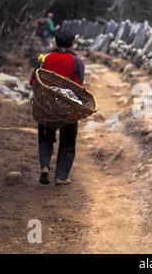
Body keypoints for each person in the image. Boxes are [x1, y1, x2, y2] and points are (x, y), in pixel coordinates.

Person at [30, 29, 85, 185]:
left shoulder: (45, 58)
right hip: (67, 108)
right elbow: (78, 86)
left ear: (55, 42)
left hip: (46, 107)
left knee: (45, 138)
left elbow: (33, 81)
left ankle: (45, 167)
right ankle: (61, 176)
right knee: (67, 141)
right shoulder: (77, 62)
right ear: (72, 43)